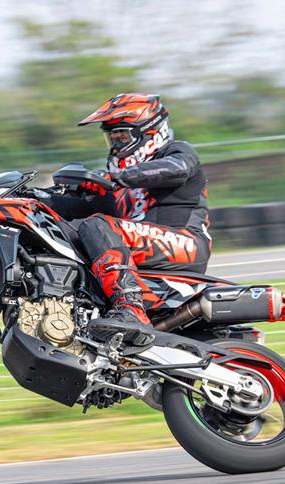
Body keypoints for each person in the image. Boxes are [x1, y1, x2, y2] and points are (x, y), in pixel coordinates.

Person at [71, 93, 212, 345]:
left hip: (187, 243)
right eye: (111, 137)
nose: (115, 144)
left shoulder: (178, 152)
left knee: (98, 225)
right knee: (78, 230)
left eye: (122, 136)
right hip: (144, 249)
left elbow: (177, 168)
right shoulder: (121, 181)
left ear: (149, 132)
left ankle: (131, 308)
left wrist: (116, 178)